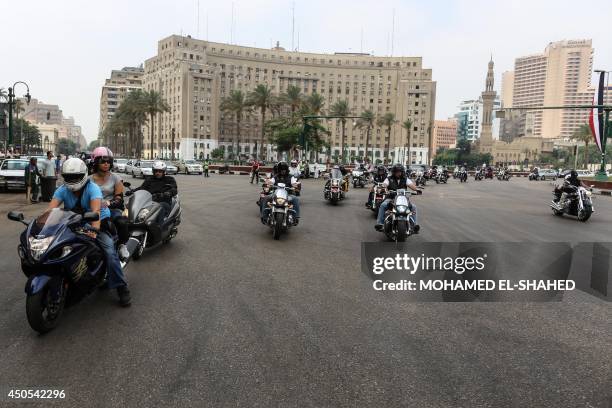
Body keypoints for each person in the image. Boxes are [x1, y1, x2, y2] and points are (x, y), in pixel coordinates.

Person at [49, 158, 131, 306]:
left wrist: (93, 231)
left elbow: (96, 213)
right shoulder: (62, 189)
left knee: (110, 253)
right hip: (74, 223)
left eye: (76, 177)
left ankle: (121, 287)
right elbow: (50, 211)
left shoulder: (93, 188)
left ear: (83, 174)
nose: (72, 180)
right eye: (69, 177)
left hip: (97, 223)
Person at [90, 146, 130, 261]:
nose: (106, 164)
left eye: (109, 161)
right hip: (93, 209)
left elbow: (119, 198)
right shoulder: (88, 179)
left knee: (121, 221)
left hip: (111, 208)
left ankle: (122, 245)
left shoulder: (116, 178)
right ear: (96, 162)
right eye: (103, 161)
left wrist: (108, 203)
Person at [375, 164, 422, 232]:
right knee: (383, 205)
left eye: (400, 171)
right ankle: (380, 224)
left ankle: (414, 225)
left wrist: (416, 190)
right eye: (396, 171)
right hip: (391, 198)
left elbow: (411, 185)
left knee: (413, 207)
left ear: (402, 172)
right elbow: (385, 184)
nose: (398, 173)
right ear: (394, 172)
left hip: (403, 199)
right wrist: (382, 188)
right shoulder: (389, 178)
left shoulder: (405, 179)